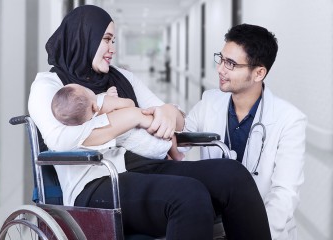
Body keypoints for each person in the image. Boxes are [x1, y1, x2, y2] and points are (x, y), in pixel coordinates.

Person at [28, 5, 272, 239]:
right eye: (106, 39)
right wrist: (130, 117)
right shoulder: (49, 85)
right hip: (97, 182)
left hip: (146, 166)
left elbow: (177, 119)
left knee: (232, 174)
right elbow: (61, 140)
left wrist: (167, 111)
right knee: (188, 195)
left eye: (114, 40)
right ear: (84, 36)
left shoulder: (122, 77)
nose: (112, 48)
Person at [184, 23, 307, 240]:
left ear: (259, 73)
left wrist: (253, 232)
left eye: (231, 63)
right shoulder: (209, 102)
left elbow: (284, 194)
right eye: (221, 59)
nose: (220, 69)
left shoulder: (289, 120)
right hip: (214, 226)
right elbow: (179, 140)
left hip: (264, 228)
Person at [51, 83, 184, 160]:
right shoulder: (103, 102)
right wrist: (111, 99)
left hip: (138, 150)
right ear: (94, 106)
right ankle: (175, 154)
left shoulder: (87, 126)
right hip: (151, 140)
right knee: (166, 129)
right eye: (85, 89)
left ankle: (169, 156)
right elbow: (130, 104)